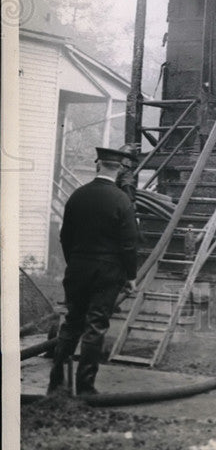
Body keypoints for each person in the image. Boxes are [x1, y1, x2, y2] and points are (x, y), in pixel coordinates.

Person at [47, 146, 140, 396]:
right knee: (95, 326)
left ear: (98, 165)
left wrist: (75, 262)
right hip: (108, 272)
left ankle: (56, 384)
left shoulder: (77, 196)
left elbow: (65, 236)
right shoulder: (122, 200)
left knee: (71, 324)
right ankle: (85, 387)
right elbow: (129, 243)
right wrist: (130, 276)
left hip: (77, 268)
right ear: (120, 169)